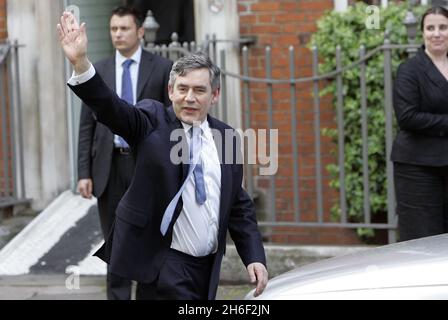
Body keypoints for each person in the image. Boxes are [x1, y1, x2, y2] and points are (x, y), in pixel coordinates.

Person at [58, 11, 268, 300]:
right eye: (182, 89)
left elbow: (239, 205)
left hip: (208, 269)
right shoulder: (152, 121)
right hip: (167, 267)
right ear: (170, 90)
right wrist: (81, 63)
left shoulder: (227, 136)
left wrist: (254, 256)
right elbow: (113, 109)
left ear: (214, 95)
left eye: (199, 90)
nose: (189, 98)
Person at [76, 6, 172, 300]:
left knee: (150, 237)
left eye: (124, 28)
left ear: (140, 31)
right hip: (109, 166)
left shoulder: (163, 68)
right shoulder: (99, 71)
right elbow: (86, 126)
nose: (117, 34)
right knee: (115, 240)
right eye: (113, 29)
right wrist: (84, 173)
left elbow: (171, 121)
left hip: (148, 166)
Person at [392, 6, 448, 241]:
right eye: (430, 28)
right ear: (423, 33)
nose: (437, 33)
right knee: (423, 239)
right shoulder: (409, 70)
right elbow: (407, 116)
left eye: (443, 27)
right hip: (417, 169)